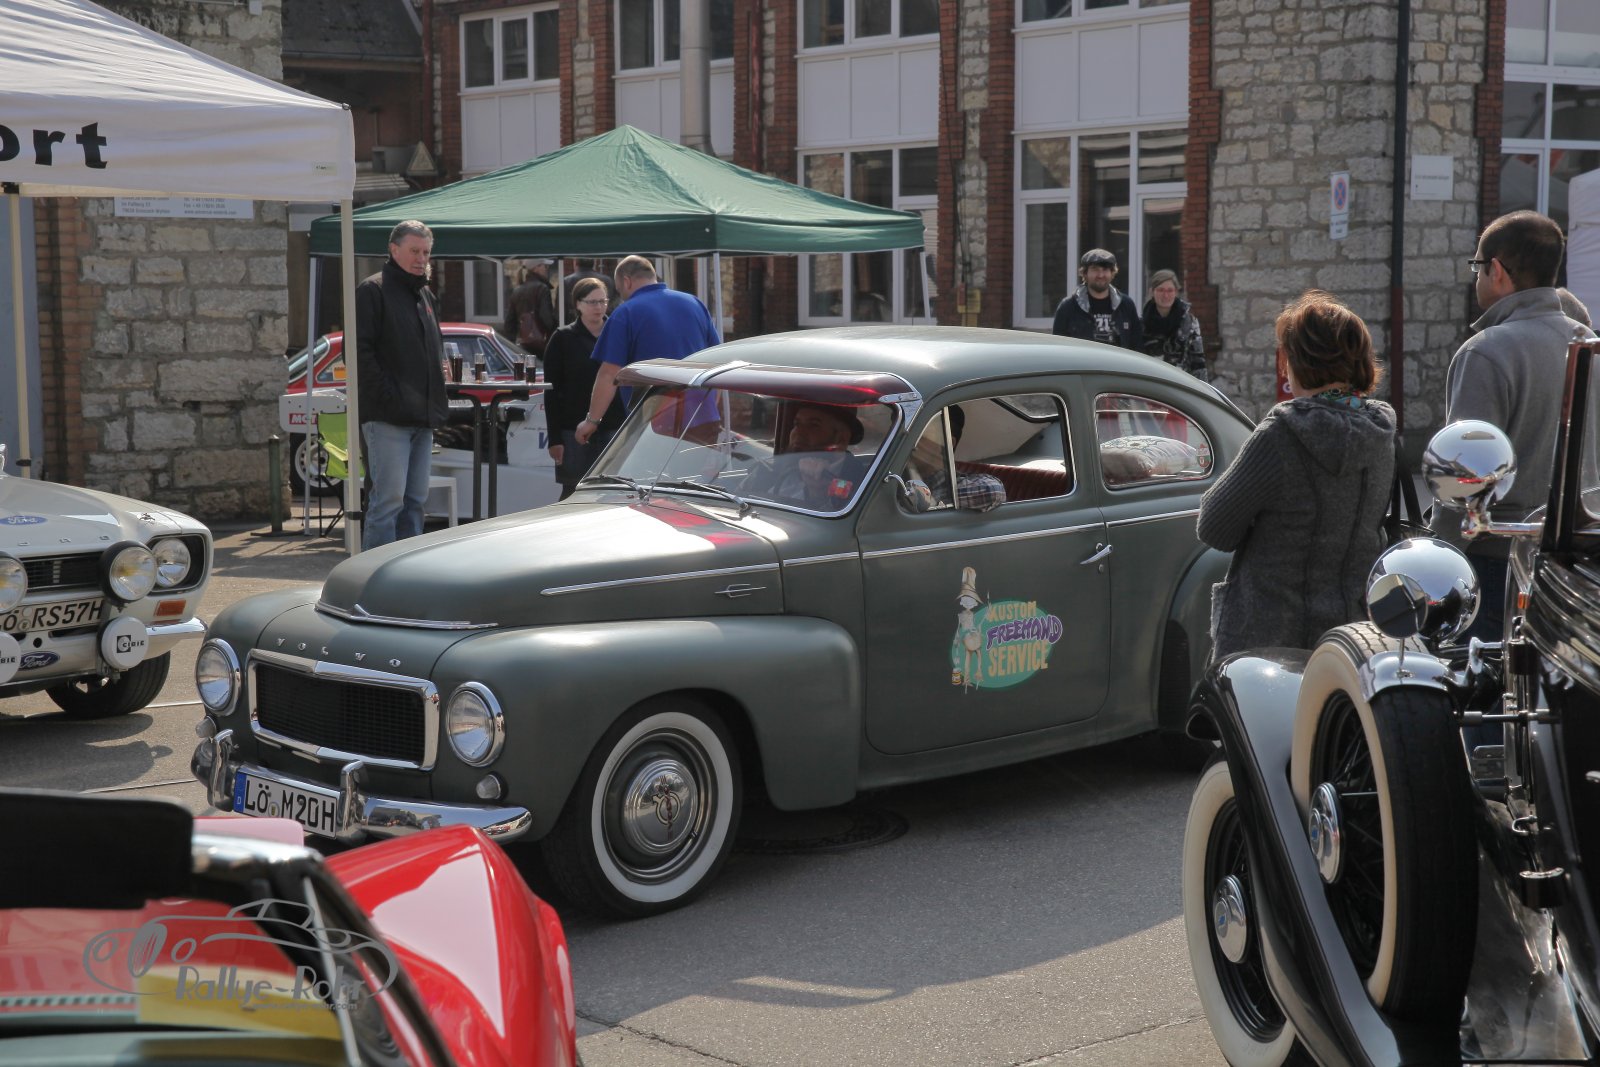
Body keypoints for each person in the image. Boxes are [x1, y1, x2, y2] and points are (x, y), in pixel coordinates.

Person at [1197, 290, 1395, 662]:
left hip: (1268, 640)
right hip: (1350, 638)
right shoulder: (1380, 432)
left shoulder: (1281, 434)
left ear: (1296, 361)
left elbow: (1213, 527)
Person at [1429, 211, 1578, 642]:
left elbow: (1462, 477)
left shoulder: (1486, 351)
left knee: (1479, 678)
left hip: (1497, 563)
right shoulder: (1587, 342)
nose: (1475, 276)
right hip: (1573, 565)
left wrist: (1439, 563)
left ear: (1496, 271)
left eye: (1477, 266)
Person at [353, 219, 449, 550]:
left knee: (415, 501)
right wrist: (390, 397)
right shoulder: (372, 290)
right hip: (387, 417)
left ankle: (407, 572)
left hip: (422, 417)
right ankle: (373, 574)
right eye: (414, 251)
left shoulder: (425, 294)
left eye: (426, 252)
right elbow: (359, 354)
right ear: (394, 250)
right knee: (387, 502)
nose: (421, 259)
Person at [575, 255, 721, 446]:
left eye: (619, 290)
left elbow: (609, 373)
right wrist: (710, 406)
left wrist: (592, 421)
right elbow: (717, 362)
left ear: (627, 281)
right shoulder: (695, 304)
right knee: (694, 467)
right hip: (703, 416)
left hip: (653, 422)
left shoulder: (625, 313)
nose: (622, 296)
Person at [543, 277, 623, 498]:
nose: (599, 307)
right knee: (574, 492)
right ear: (578, 304)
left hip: (614, 424)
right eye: (592, 302)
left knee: (612, 492)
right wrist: (555, 439)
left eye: (603, 301)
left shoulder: (617, 333)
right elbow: (552, 392)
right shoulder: (563, 338)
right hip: (573, 429)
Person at [742, 402, 868, 510]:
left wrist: (817, 494)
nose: (799, 432)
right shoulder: (767, 469)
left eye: (813, 425)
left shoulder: (861, 483)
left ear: (840, 439)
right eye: (797, 424)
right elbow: (738, 505)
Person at [904, 405, 1007, 513]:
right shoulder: (900, 479)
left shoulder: (953, 486)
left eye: (923, 437)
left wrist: (929, 498)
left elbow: (992, 490)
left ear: (947, 443)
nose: (911, 443)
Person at [1051, 248, 1143, 350]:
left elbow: (1137, 346)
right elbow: (1058, 348)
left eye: (1105, 270)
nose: (1100, 275)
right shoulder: (1068, 306)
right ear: (1085, 273)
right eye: (1095, 269)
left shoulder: (1126, 305)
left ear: (1112, 273)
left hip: (1118, 361)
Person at [1141, 269, 1208, 380]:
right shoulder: (1142, 324)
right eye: (1161, 290)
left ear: (1176, 292)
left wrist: (1203, 387)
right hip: (1151, 383)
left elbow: (1198, 362)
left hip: (1180, 383)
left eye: (1170, 290)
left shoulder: (1189, 323)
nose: (1165, 295)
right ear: (1152, 292)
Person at [503, 259, 556, 357]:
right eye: (545, 266)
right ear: (536, 268)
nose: (547, 269)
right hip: (541, 346)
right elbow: (547, 320)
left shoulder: (517, 291)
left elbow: (509, 324)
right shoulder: (542, 289)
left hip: (522, 346)